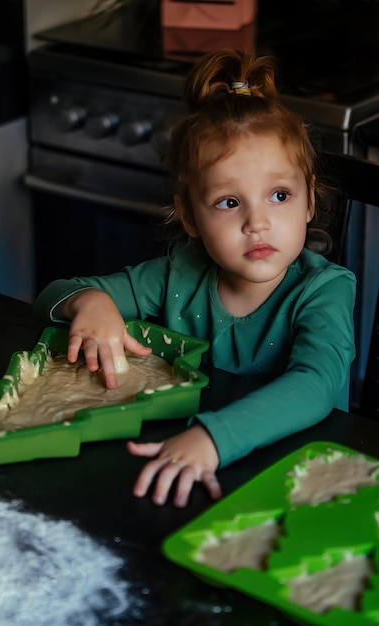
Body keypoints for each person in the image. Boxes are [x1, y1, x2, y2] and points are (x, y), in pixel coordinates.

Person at [34, 49, 356, 508]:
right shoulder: (177, 276)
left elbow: (316, 384)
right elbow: (50, 296)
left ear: (309, 201)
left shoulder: (324, 290)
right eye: (229, 202)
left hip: (303, 482)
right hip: (190, 471)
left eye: (279, 195)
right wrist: (89, 302)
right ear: (188, 216)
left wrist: (213, 438)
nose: (257, 222)